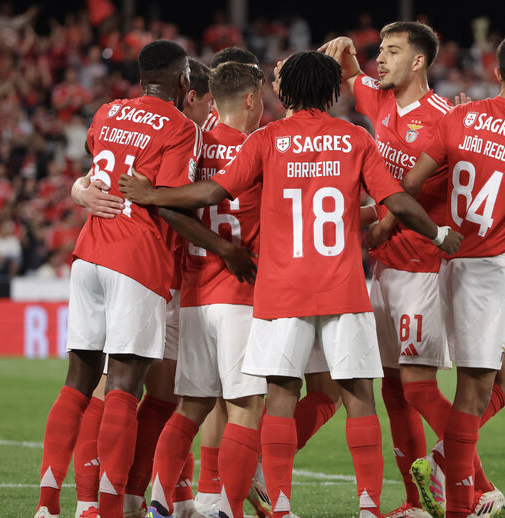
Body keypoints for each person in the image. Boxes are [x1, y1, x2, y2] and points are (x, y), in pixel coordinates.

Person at [120, 50, 462, 518]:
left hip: (279, 292)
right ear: (332, 91)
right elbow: (396, 202)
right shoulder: (355, 137)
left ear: (285, 92)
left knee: (279, 399)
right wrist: (440, 234)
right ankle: (367, 506)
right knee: (358, 396)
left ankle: (279, 505)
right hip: (342, 288)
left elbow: (213, 192)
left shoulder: (267, 139)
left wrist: (151, 194)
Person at [35, 40, 253, 518]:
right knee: (124, 384)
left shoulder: (109, 112)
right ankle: (110, 506)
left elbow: (99, 169)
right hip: (141, 261)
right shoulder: (182, 128)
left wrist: (80, 189)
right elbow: (170, 205)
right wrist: (224, 248)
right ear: (185, 85)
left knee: (86, 379)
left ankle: (57, 504)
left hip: (90, 252)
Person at [387, 32, 505, 518]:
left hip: (445, 260)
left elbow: (413, 182)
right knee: (473, 392)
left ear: (498, 71)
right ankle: (466, 504)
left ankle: (465, 462)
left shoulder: (459, 117)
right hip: (489, 269)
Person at [319, 21, 455, 518]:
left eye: (392, 52)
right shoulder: (378, 99)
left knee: (419, 387)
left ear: (418, 62)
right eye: (381, 50)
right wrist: (349, 51)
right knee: (395, 390)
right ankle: (418, 500)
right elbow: (351, 72)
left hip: (422, 267)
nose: (382, 59)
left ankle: (478, 485)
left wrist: (381, 223)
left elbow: (412, 190)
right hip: (383, 270)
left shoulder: (442, 117)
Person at [120, 61, 267, 518]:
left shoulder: (193, 145)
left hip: (194, 297)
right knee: (245, 408)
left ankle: (162, 503)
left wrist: (149, 195)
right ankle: (229, 509)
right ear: (249, 99)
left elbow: (170, 199)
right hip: (241, 294)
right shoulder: (260, 147)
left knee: (189, 408)